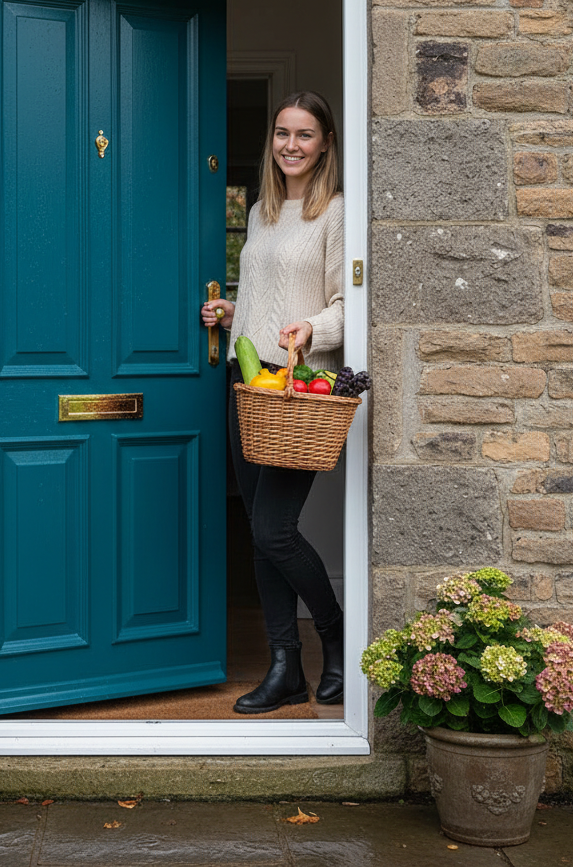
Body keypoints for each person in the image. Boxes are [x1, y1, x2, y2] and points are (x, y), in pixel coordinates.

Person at [201, 90, 344, 713]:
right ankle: (285, 666)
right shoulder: (260, 211)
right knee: (261, 535)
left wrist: (313, 328)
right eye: (282, 133)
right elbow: (262, 290)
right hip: (246, 380)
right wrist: (234, 313)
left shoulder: (335, 213)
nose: (290, 145)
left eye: (304, 135)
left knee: (273, 528)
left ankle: (334, 640)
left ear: (324, 144)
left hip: (298, 386)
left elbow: (344, 304)